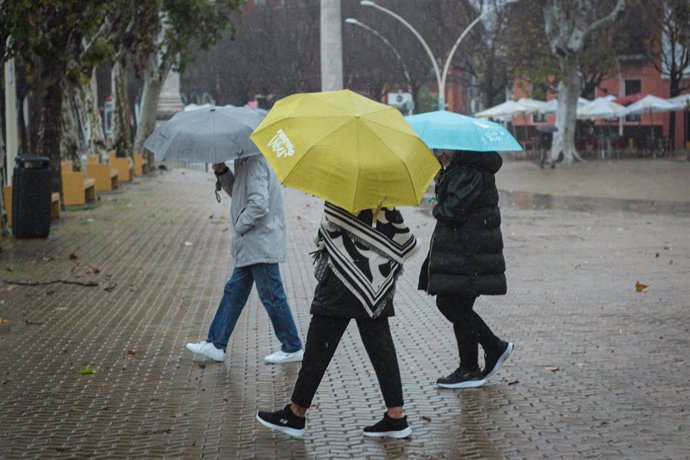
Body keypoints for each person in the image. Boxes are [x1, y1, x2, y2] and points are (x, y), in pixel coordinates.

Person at [256, 202, 419, 439]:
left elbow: (327, 231)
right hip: (375, 281)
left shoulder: (347, 188)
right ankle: (396, 416)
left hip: (340, 282)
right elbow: (397, 235)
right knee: (380, 347)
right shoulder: (385, 189)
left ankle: (296, 413)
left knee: (318, 348)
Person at [185, 155, 303, 364]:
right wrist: (223, 173)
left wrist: (240, 225)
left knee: (272, 295)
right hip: (254, 242)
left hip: (259, 241)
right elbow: (241, 194)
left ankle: (292, 346)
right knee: (234, 291)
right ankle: (216, 343)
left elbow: (258, 204)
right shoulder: (246, 161)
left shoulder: (255, 162)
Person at [419, 149, 514, 389]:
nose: (438, 152)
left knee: (452, 304)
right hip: (467, 251)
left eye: (441, 148)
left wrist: (438, 203)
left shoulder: (468, 171)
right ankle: (473, 364)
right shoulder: (464, 169)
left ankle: (484, 355)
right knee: (458, 305)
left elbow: (452, 211)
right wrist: (442, 180)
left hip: (469, 253)